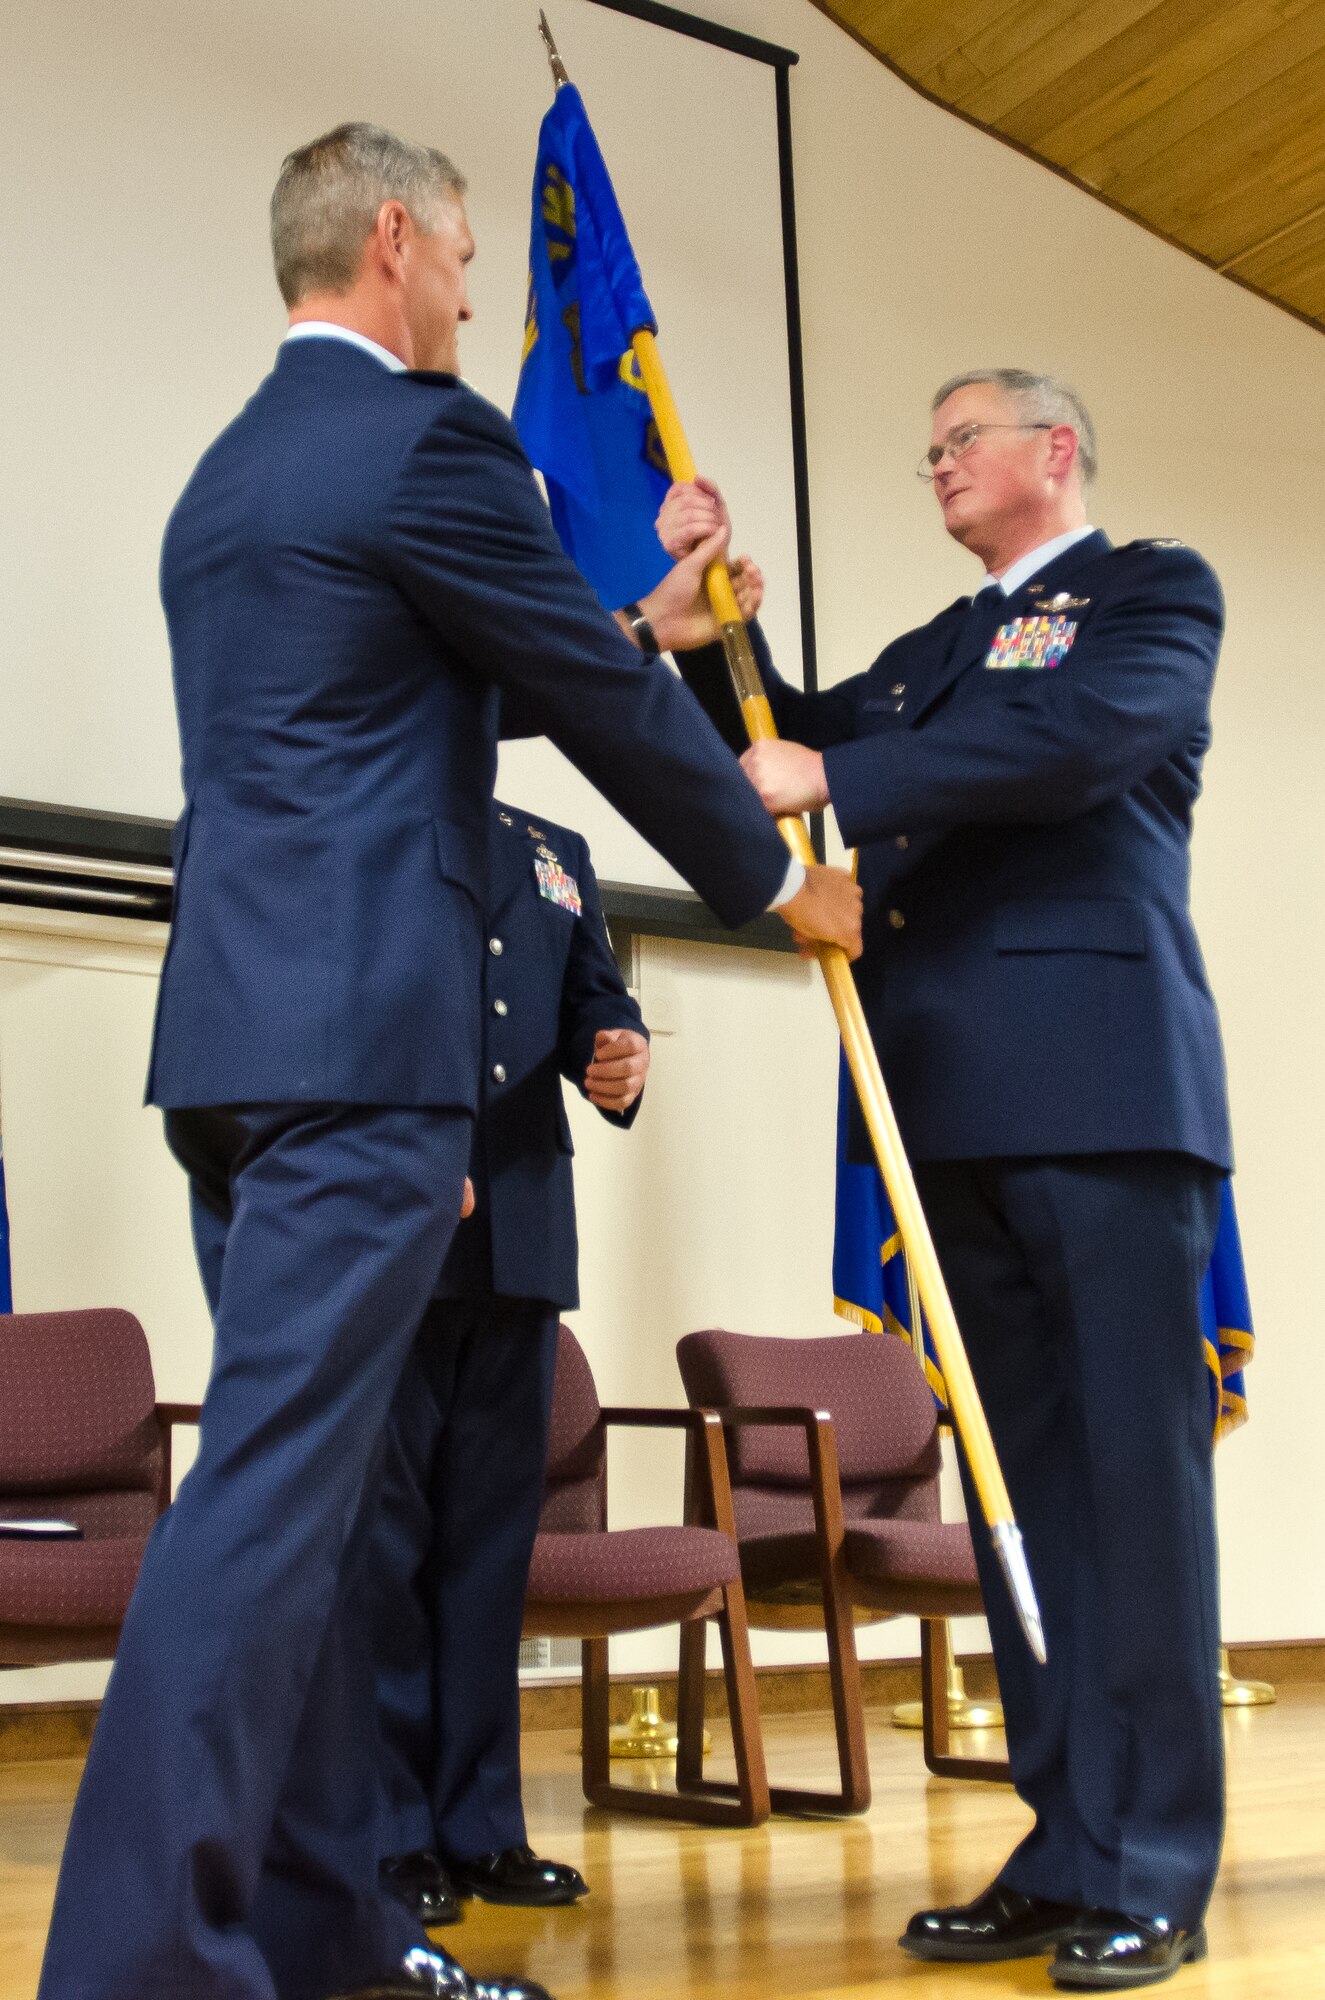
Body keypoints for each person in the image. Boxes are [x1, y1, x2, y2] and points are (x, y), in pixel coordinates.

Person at [36, 123, 861, 2000]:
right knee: (267, 1503)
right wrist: (768, 885)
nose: (485, 296)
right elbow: (579, 695)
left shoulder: (231, 478)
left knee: (312, 1510)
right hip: (361, 1060)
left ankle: (329, 1930)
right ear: (392, 241)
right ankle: (141, 1966)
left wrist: (624, 625)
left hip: (236, 1054)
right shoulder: (426, 440)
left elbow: (431, 674)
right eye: (473, 258)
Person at [664, 368, 1230, 1992]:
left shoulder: (1146, 593)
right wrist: (723, 655)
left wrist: (846, 783)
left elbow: (1084, 741)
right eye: (924, 450)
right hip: (950, 1112)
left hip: (1108, 1100)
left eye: (957, 442)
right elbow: (792, 744)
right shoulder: (930, 656)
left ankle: (1158, 1869)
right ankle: (1065, 1848)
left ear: (1055, 449)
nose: (934, 466)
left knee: (1135, 1499)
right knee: (1021, 1504)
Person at [370, 800, 648, 1927]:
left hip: (522, 1227)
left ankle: (481, 1825)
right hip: (396, 1220)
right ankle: (385, 1834)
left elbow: (590, 987)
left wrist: (612, 1042)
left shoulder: (553, 847)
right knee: (382, 1547)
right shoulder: (368, 804)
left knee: (491, 1551)